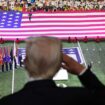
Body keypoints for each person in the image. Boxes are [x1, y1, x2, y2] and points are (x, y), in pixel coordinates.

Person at [0, 36, 105, 105]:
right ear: (59, 66)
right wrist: (81, 70)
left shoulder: (7, 102)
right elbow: (101, 96)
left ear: (25, 63)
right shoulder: (80, 97)